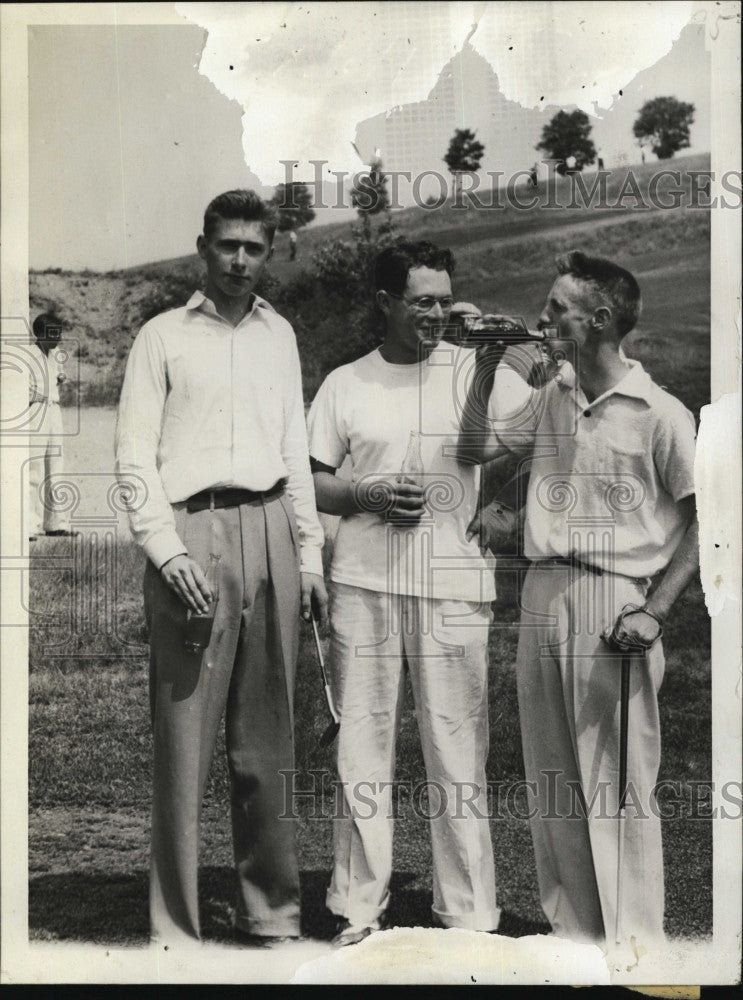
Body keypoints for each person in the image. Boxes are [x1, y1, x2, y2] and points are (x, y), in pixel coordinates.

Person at [457, 250, 698, 946]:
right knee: (553, 782)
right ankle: (572, 942)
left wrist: (655, 610)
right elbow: (474, 449)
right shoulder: (554, 395)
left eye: (556, 309)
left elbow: (713, 515)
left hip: (612, 600)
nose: (542, 318)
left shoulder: (660, 413)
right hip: (541, 593)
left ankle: (633, 949)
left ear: (597, 320)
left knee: (616, 785)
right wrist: (483, 366)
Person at [115, 189, 327, 947]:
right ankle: (176, 928)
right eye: (228, 245)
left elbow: (295, 450)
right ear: (202, 246)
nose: (241, 260)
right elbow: (134, 457)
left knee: (267, 741)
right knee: (184, 742)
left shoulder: (280, 334)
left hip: (270, 525)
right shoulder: (161, 337)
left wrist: (309, 556)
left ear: (270, 252)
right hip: (191, 535)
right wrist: (165, 550)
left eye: (255, 247)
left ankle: (272, 913)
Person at [307, 239, 500, 947]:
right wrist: (367, 492)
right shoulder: (344, 383)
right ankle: (357, 906)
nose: (437, 312)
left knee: (456, 749)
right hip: (364, 584)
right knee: (361, 748)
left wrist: (483, 363)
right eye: (422, 300)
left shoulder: (471, 368)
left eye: (444, 299)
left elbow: (484, 454)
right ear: (385, 303)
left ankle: (468, 914)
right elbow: (313, 481)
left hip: (453, 584)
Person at [28, 312, 78, 540]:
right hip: (34, 410)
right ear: (38, 334)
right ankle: (30, 523)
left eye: (59, 334)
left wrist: (59, 378)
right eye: (52, 334)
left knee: (56, 464)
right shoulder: (28, 354)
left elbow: (60, 376)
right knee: (34, 466)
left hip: (53, 409)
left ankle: (56, 522)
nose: (57, 339)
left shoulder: (56, 354)